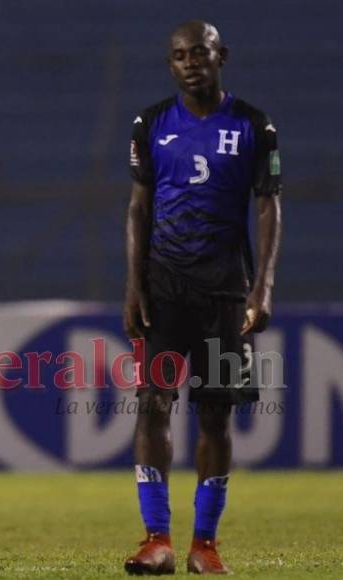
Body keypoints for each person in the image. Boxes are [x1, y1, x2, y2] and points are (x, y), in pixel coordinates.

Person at [122, 21, 282, 575]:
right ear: (171, 65)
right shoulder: (151, 123)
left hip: (225, 293)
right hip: (164, 290)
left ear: (221, 57)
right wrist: (134, 286)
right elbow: (139, 206)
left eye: (201, 52)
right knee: (152, 405)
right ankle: (157, 539)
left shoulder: (254, 126)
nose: (191, 62)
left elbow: (268, 208)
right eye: (180, 55)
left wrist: (261, 288)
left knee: (215, 416)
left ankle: (205, 545)